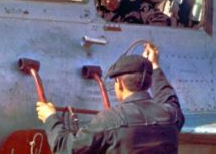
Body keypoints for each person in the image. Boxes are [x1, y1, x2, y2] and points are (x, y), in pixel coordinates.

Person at [36, 43, 184, 153]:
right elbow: (168, 96)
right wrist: (154, 66)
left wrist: (50, 118)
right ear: (148, 83)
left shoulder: (109, 120)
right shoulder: (171, 115)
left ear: (119, 83)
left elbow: (66, 148)